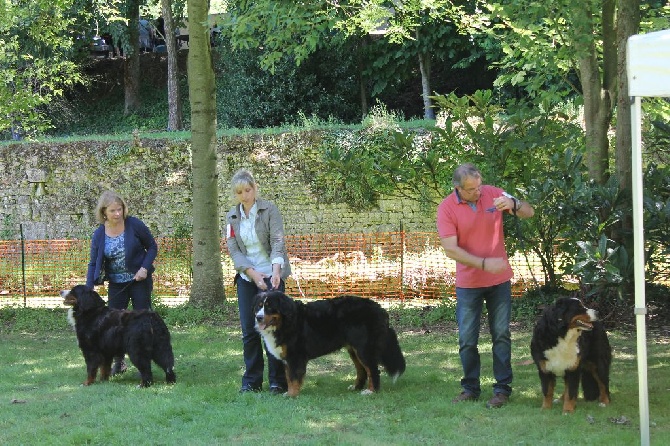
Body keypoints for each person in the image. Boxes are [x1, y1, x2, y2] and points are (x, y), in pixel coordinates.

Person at [436, 163, 534, 409]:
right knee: (467, 339)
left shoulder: (493, 193)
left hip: (499, 281)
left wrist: (515, 205)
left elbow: (529, 213)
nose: (479, 192)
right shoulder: (447, 208)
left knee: (501, 335)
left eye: (479, 186)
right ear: (458, 188)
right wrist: (483, 263)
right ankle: (470, 388)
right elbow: (450, 249)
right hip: (469, 284)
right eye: (472, 189)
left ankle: (502, 390)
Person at [225, 169, 291, 394]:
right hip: (247, 275)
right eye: (240, 192)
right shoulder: (232, 217)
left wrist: (275, 271)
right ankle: (252, 380)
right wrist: (252, 274)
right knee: (250, 330)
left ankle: (277, 381)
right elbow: (233, 249)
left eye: (248, 190)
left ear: (255, 188)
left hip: (271, 272)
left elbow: (278, 240)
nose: (245, 195)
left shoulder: (269, 209)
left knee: (273, 329)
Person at [86, 190, 158, 375]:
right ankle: (119, 362)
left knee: (142, 321)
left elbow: (151, 246)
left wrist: (144, 268)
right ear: (104, 213)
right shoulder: (99, 234)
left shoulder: (134, 224)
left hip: (139, 280)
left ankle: (146, 360)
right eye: (113, 211)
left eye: (120, 209)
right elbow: (93, 262)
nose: (117, 214)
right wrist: (88, 289)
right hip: (117, 284)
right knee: (114, 324)